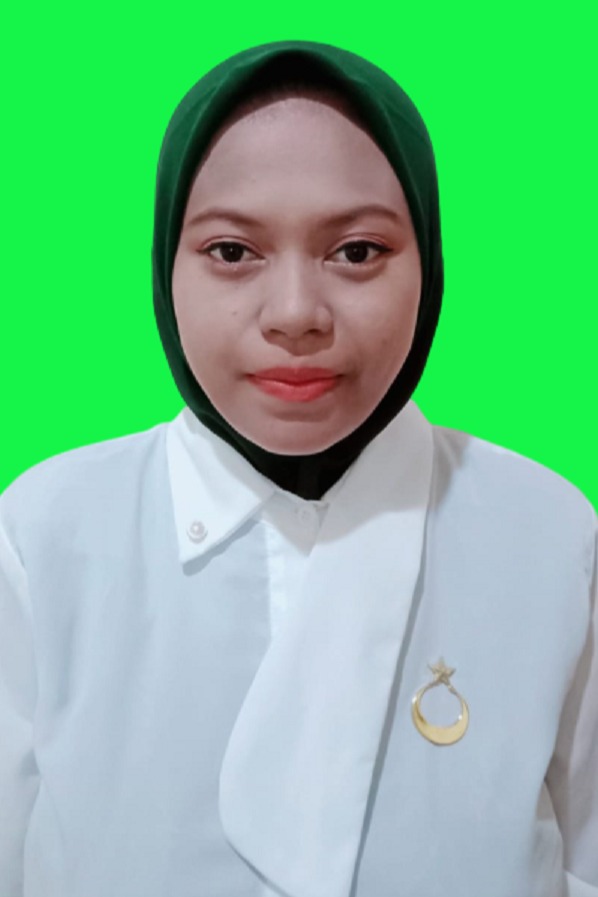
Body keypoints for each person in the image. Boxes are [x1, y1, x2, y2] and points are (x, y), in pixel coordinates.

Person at [0, 39, 596, 897]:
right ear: (165, 262)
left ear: (429, 261)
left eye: (356, 251)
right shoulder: (48, 533)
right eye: (231, 252)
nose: (294, 314)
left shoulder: (546, 533)